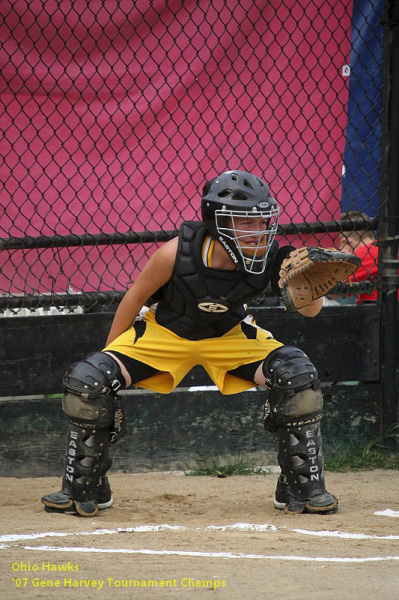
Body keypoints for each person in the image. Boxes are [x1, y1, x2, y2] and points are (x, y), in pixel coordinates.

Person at [42, 170, 338, 517]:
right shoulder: (175, 254)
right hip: (165, 333)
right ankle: (85, 487)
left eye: (261, 222)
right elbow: (133, 299)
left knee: (298, 375)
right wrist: (108, 358)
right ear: (217, 222)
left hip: (229, 335)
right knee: (88, 381)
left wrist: (311, 283)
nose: (257, 232)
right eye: (245, 223)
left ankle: (300, 485)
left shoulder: (273, 256)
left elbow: (311, 311)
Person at [340, 211, 377, 304]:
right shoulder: (377, 247)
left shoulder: (365, 252)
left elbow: (330, 291)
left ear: (346, 242)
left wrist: (342, 259)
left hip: (382, 312)